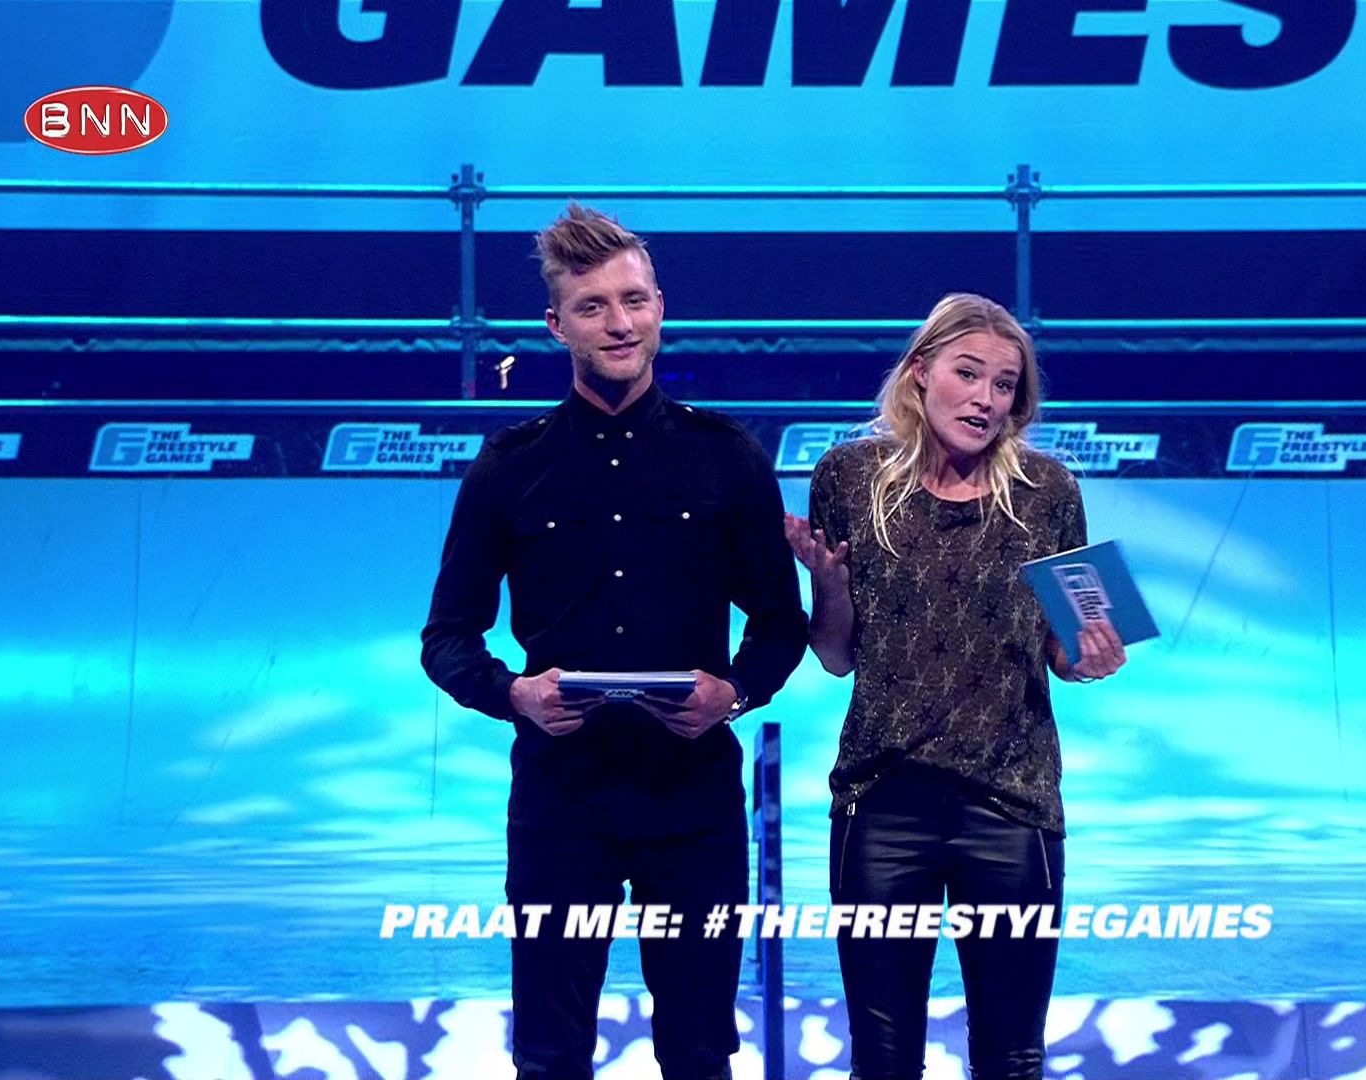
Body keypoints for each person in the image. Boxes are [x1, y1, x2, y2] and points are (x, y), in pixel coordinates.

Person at [422, 203, 808, 1080]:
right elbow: (446, 636)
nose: (619, 323)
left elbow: (780, 624)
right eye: (592, 306)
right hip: (560, 805)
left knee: (699, 1050)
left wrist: (735, 694)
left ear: (660, 308)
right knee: (550, 1053)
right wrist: (513, 695)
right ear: (556, 325)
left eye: (633, 301)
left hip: (694, 804)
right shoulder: (511, 465)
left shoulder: (727, 457)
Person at [784, 293, 1126, 1080]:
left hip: (1012, 806)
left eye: (1004, 385)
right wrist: (827, 585)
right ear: (919, 372)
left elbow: (1070, 649)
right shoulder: (847, 478)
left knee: (1011, 1056)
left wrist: (1091, 656)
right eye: (967, 374)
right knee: (883, 1059)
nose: (985, 398)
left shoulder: (1049, 490)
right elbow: (836, 657)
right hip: (882, 801)